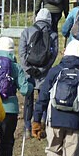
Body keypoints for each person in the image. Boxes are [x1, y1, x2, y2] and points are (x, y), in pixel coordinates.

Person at [19, 8, 59, 136]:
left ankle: (27, 127)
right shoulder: (53, 35)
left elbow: (22, 53)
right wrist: (43, 69)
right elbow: (53, 55)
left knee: (28, 100)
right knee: (44, 99)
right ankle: (44, 126)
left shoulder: (27, 31)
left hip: (29, 73)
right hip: (44, 73)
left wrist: (28, 69)